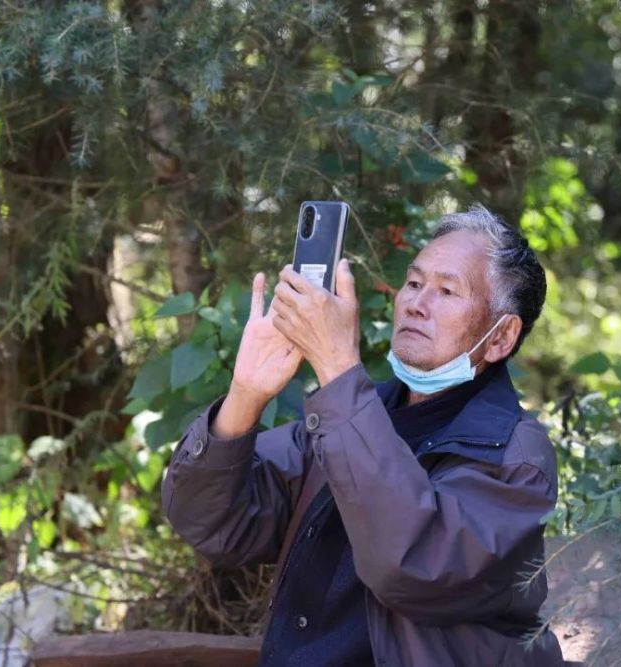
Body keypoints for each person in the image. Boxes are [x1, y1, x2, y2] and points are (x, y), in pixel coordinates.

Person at [161, 205, 564, 666]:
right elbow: (212, 525)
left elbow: (414, 566)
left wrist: (337, 368)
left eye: (447, 291)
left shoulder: (516, 457)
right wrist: (245, 395)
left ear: (500, 338)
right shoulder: (356, 414)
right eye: (414, 283)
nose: (416, 302)